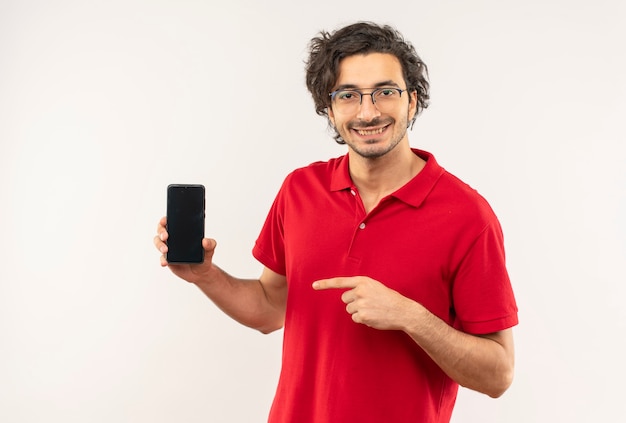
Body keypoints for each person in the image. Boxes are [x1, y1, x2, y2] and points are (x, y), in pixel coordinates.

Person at [154, 21, 518, 423]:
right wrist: (205, 275)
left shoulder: (468, 216)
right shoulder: (299, 190)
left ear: (412, 101)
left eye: (386, 92)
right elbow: (271, 308)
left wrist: (411, 317)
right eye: (348, 95)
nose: (368, 111)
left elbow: (498, 375)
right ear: (329, 109)